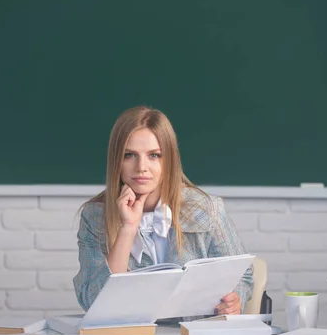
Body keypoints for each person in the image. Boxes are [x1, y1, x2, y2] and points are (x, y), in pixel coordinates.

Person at [72, 106, 253, 316]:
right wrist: (128, 229)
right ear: (116, 161)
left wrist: (234, 300)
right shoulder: (94, 217)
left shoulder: (206, 209)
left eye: (154, 155)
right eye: (129, 155)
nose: (141, 167)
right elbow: (93, 303)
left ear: (169, 160)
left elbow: (242, 275)